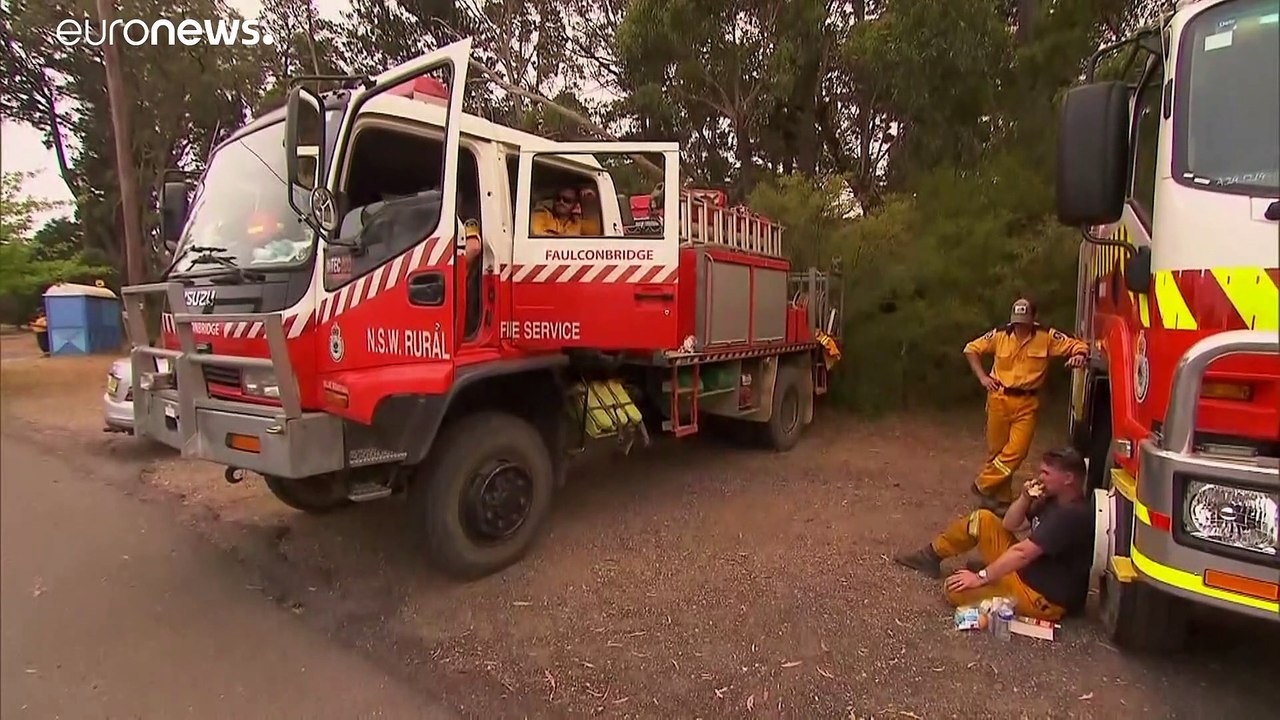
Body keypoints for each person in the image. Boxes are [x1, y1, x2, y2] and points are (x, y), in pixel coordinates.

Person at [893, 447, 1095, 621]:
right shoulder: (1053, 499)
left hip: (1041, 596)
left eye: (1046, 473)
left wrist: (981, 577)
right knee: (983, 519)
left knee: (954, 589)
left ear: (1068, 479)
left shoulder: (1072, 515)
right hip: (1027, 571)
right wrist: (1025, 498)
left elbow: (1023, 553)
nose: (1040, 477)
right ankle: (930, 556)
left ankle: (993, 578)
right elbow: (1010, 524)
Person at [963, 298, 1088, 510]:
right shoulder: (1000, 335)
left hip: (1027, 402)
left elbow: (1077, 345)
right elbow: (970, 349)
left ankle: (983, 484)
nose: (1019, 326)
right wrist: (983, 377)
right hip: (999, 398)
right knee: (997, 451)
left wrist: (1079, 355)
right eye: (1016, 321)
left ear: (1033, 319)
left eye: (1023, 321)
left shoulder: (1046, 337)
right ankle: (1000, 499)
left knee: (1017, 451)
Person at [530, 185, 602, 236]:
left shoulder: (577, 223)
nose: (561, 202)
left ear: (575, 204)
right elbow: (536, 233)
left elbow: (598, 231)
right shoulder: (542, 215)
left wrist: (588, 203)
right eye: (558, 199)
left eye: (567, 200)